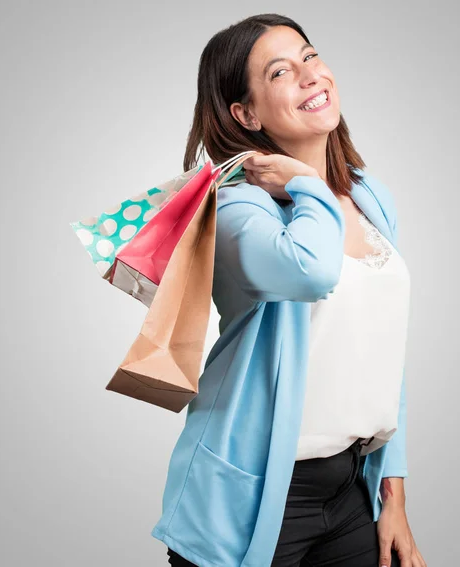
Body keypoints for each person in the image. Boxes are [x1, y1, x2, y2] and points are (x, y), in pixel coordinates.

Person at [152, 13, 426, 567]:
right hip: (253, 496)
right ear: (245, 113)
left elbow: (383, 353)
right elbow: (311, 271)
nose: (310, 75)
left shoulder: (371, 196)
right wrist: (305, 182)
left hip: (351, 495)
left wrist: (392, 497)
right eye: (280, 72)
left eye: (310, 55)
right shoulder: (237, 210)